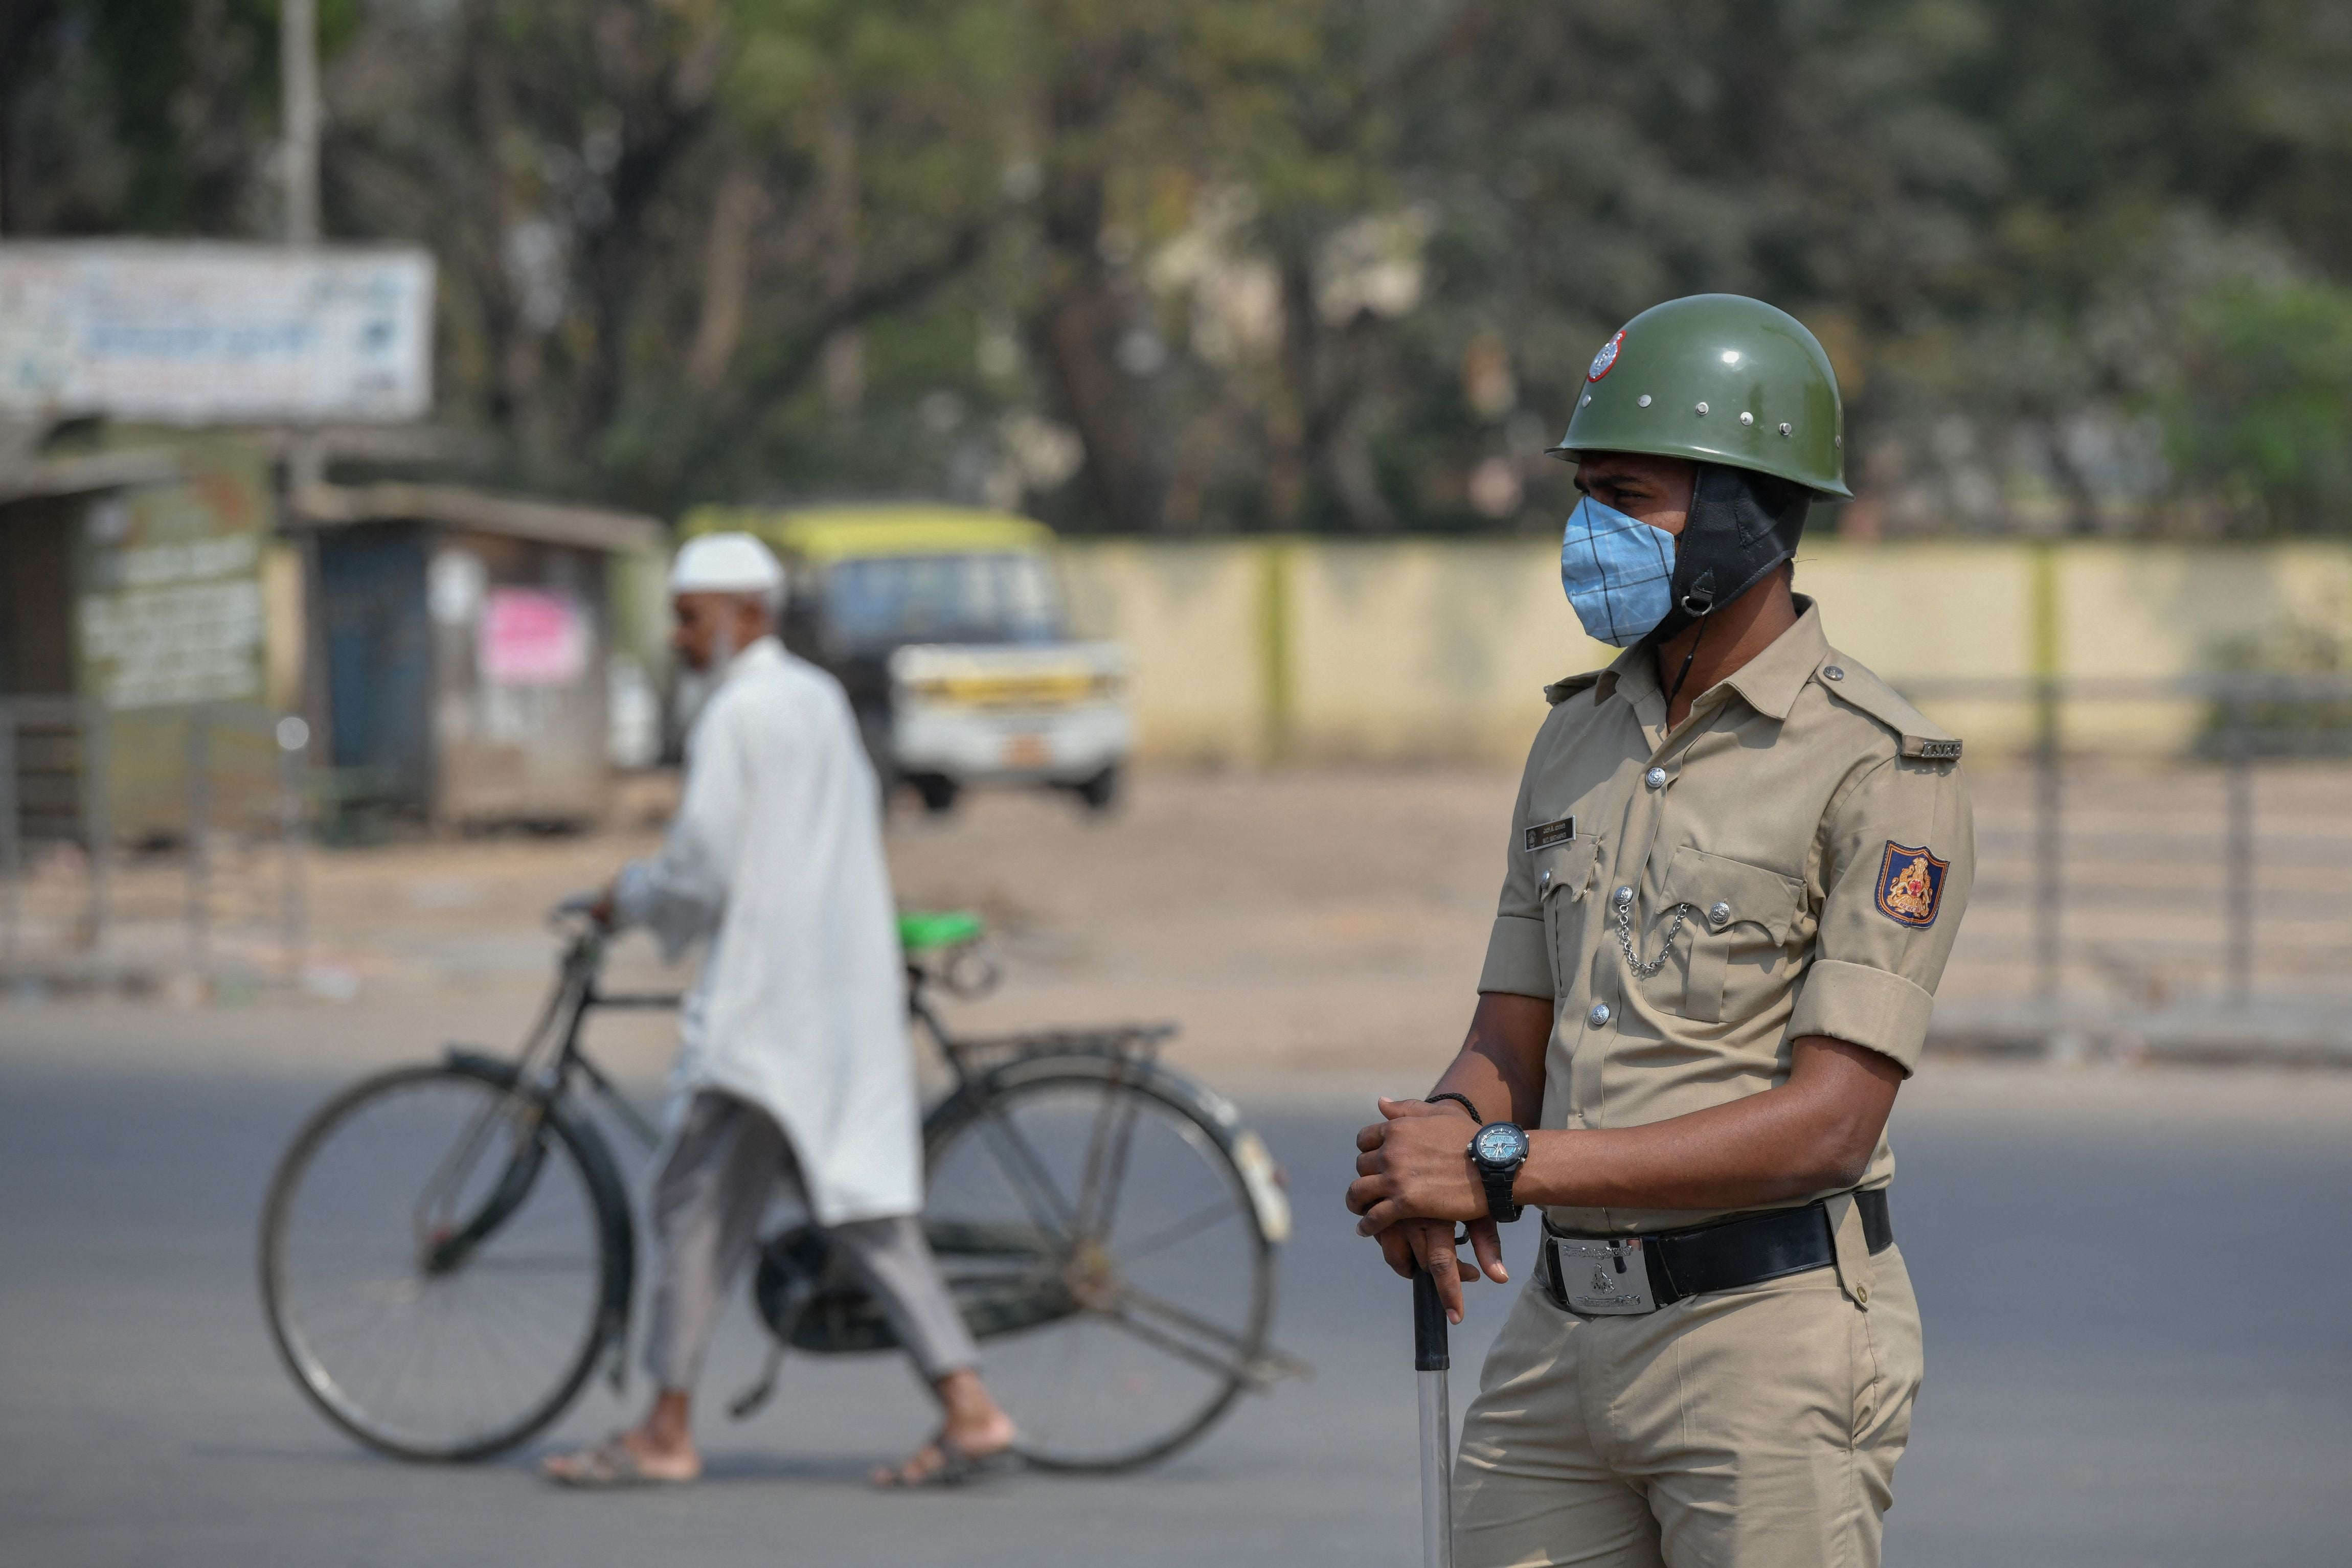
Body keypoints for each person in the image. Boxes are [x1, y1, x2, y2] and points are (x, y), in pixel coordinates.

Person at [1347, 294, 1974, 1567]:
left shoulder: (1876, 768)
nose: (1588, 532)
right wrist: (1442, 1135)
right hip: (1560, 1340)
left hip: (1765, 1345)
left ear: (1744, 507)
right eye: (1581, 495)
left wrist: (1506, 1165)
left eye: (1626, 495)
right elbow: (1505, 1036)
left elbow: (1830, 1123)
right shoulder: (1571, 737)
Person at [542, 531, 1016, 1489]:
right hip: (837, 993)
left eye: (690, 616)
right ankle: (967, 1407)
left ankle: (665, 1431)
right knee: (856, 1210)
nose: (677, 637)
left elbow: (702, 866)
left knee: (696, 1211)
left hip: (767, 1010)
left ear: (746, 615)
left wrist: (623, 898)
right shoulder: (815, 699)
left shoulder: (738, 715)